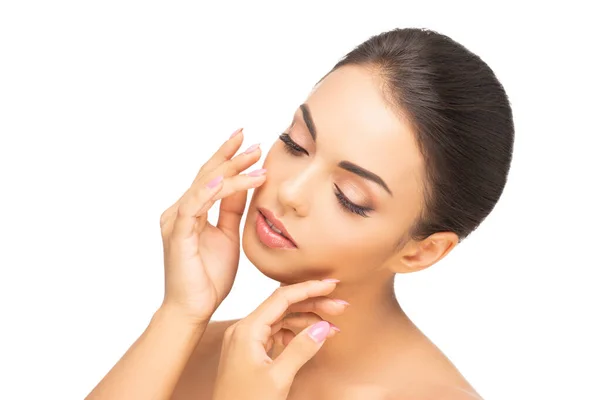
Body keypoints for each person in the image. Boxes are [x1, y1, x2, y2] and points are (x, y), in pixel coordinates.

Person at [86, 27, 514, 400]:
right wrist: (181, 312)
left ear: (421, 253)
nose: (290, 191)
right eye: (295, 143)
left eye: (349, 197)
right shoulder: (197, 350)